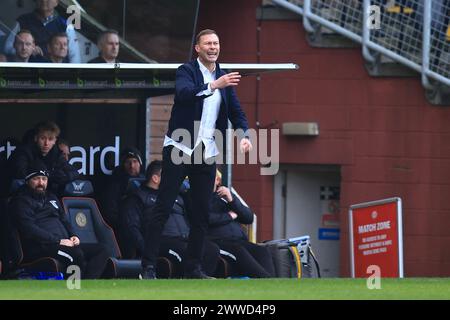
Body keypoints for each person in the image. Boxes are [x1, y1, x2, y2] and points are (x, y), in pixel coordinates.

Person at [141, 29, 252, 279]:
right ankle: (147, 267)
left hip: (207, 152)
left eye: (216, 43)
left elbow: (236, 112)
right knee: (163, 207)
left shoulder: (224, 76)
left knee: (201, 213)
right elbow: (184, 94)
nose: (213, 47)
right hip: (180, 148)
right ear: (198, 49)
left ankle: (194, 269)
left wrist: (244, 135)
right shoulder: (186, 71)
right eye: (208, 43)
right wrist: (213, 85)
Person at [119, 160, 220, 278]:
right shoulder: (138, 198)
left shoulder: (179, 197)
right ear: (155, 178)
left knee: (212, 249)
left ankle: (197, 280)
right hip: (164, 241)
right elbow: (132, 228)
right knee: (184, 252)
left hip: (183, 238)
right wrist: (146, 249)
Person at [9, 166, 109, 279]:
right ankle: (73, 288)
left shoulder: (51, 197)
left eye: (44, 179)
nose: (41, 182)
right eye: (36, 179)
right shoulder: (21, 201)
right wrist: (58, 240)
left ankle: (87, 284)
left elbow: (64, 220)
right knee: (75, 255)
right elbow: (29, 229)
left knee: (102, 250)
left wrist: (73, 235)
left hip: (64, 243)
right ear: (27, 181)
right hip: (41, 246)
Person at [208, 170, 275, 278]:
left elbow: (249, 218)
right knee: (239, 250)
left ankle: (272, 282)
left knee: (262, 250)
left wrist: (232, 200)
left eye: (212, 178)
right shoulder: (196, 197)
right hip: (216, 242)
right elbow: (206, 220)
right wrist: (229, 216)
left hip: (239, 240)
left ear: (217, 181)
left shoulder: (225, 195)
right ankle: (267, 280)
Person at [8, 120, 79, 196]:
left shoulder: (56, 153)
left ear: (55, 141)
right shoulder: (24, 152)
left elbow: (74, 172)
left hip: (47, 195)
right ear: (36, 138)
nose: (46, 143)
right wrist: (49, 175)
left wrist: (64, 177)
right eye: (43, 138)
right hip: (22, 195)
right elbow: (21, 174)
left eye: (50, 139)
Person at [3, 0, 80, 63]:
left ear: (56, 2)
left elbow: (74, 56)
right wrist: (28, 49)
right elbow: (7, 48)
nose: (44, 0)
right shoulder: (22, 21)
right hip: (30, 71)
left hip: (57, 73)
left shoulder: (66, 25)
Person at [100, 147, 144, 231]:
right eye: (128, 162)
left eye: (135, 161)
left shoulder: (146, 181)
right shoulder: (115, 184)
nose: (132, 166)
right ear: (123, 164)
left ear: (140, 163)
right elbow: (110, 212)